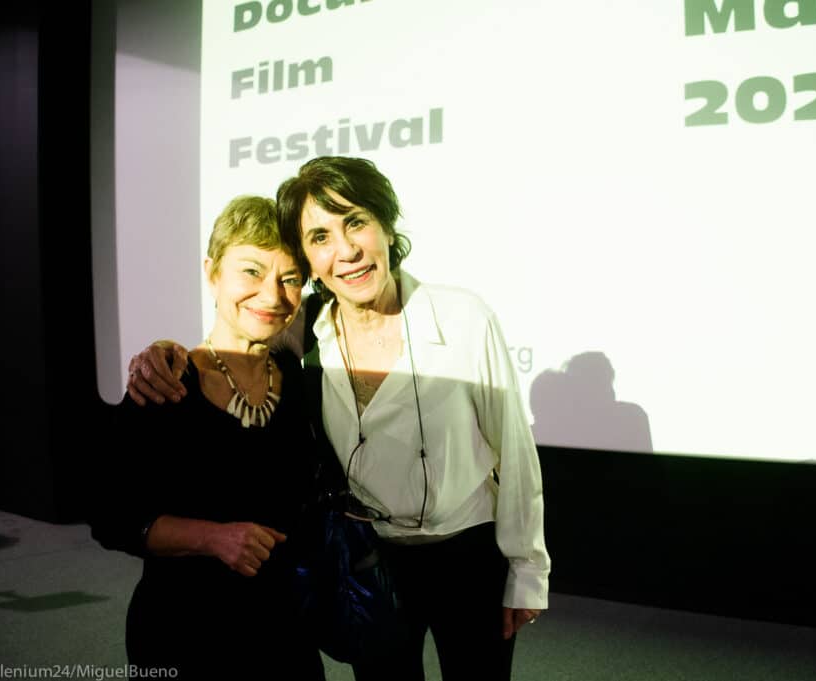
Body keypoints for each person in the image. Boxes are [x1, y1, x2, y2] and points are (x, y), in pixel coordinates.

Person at [127, 156, 550, 681]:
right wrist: (163, 351)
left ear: (386, 227)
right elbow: (233, 337)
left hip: (466, 555)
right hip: (366, 560)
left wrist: (528, 569)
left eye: (355, 222)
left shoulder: (462, 317)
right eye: (320, 236)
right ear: (309, 259)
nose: (345, 251)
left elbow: (515, 449)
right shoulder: (302, 331)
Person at [90, 195, 327, 680]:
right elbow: (110, 519)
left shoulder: (300, 381)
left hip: (285, 633)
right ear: (212, 272)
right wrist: (213, 538)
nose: (272, 295)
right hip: (185, 634)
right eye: (251, 271)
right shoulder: (164, 384)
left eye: (289, 279)